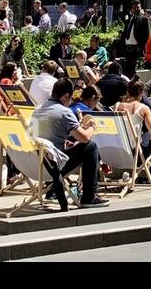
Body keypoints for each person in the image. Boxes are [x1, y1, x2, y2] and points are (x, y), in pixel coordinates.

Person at [29, 79, 108, 209]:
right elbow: (85, 138)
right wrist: (92, 127)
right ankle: (89, 196)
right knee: (91, 147)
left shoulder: (37, 110)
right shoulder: (64, 112)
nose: (70, 102)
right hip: (54, 166)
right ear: (66, 96)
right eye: (70, 98)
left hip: (36, 163)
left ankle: (52, 191)